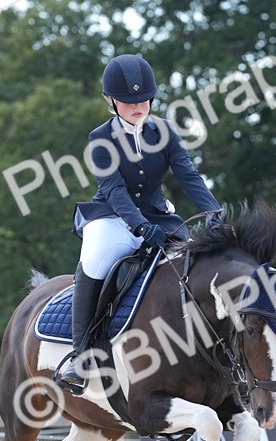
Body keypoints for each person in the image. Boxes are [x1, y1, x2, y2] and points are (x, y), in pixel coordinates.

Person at [56, 53, 222, 390]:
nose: (138, 106)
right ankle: (81, 355)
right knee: (95, 261)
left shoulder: (165, 131)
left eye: (144, 99)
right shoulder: (99, 139)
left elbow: (188, 175)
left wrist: (214, 213)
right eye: (129, 101)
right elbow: (115, 190)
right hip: (112, 218)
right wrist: (141, 227)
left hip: (161, 217)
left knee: (196, 263)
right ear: (112, 101)